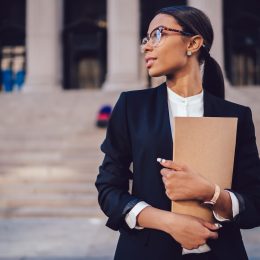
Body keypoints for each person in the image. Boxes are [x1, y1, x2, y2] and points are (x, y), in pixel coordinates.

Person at [95, 5, 260, 260]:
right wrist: (169, 222)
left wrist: (211, 193)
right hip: (145, 252)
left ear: (193, 43)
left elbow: (254, 203)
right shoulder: (131, 106)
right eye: (146, 39)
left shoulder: (237, 115)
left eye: (157, 35)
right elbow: (108, 189)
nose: (146, 47)